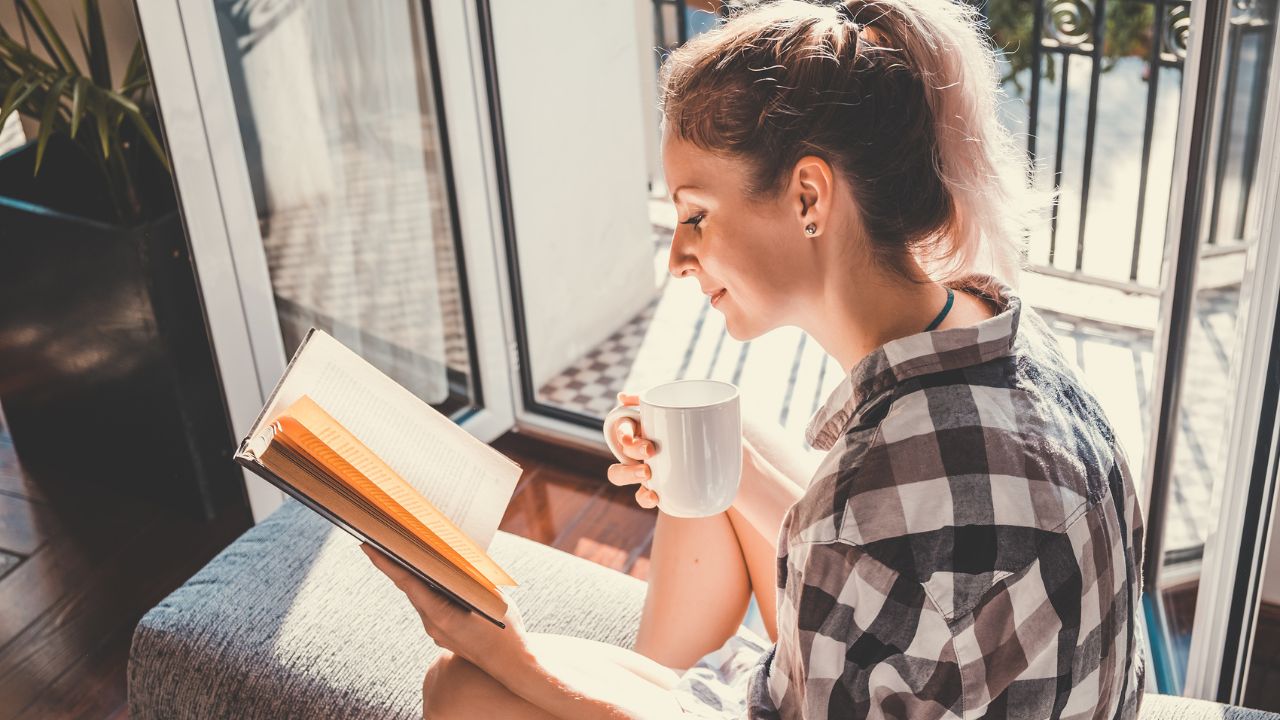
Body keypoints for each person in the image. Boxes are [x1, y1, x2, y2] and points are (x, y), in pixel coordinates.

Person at [360, 0, 1147, 717]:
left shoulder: (868, 505)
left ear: (809, 197)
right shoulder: (1001, 332)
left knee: (457, 688)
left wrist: (512, 656)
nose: (677, 257)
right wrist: (716, 465)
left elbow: (866, 540)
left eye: (695, 215)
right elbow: (879, 559)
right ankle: (647, 678)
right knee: (721, 440)